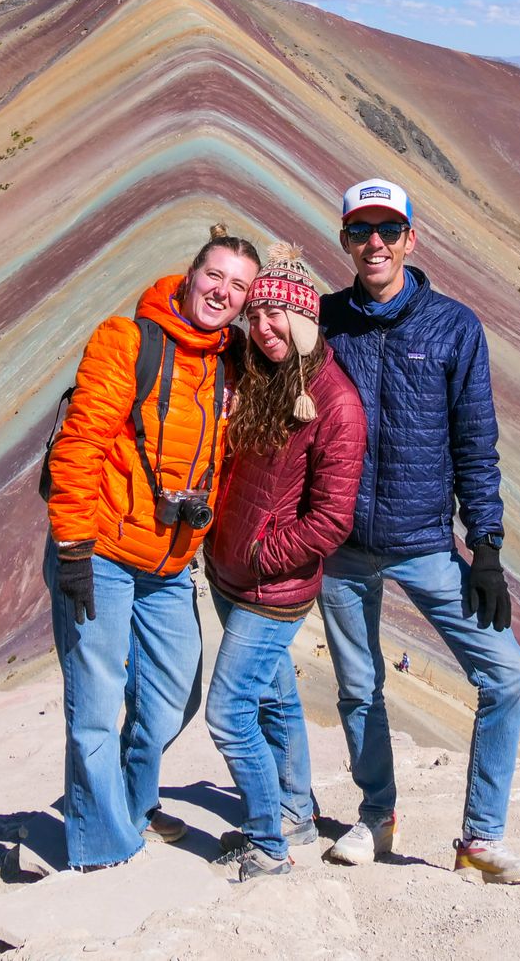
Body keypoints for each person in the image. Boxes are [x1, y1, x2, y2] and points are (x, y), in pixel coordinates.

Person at [317, 178, 520, 884]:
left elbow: (476, 444)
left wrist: (487, 548)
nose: (375, 243)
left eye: (389, 230)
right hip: (342, 549)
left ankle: (480, 840)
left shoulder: (454, 327)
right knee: (359, 687)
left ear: (412, 239)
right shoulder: (324, 322)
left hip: (425, 546)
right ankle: (377, 816)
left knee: (507, 675)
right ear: (346, 242)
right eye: (361, 231)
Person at [43, 226, 261, 871]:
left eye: (238, 286)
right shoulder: (127, 340)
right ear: (190, 275)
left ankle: (133, 806)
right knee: (96, 698)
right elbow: (79, 447)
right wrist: (74, 549)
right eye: (214, 276)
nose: (222, 292)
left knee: (171, 694)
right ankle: (105, 850)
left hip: (168, 565)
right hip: (103, 553)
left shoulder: (232, 361)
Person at [201, 244, 366, 882]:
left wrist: (262, 555)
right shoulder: (264, 377)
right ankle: (295, 809)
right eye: (258, 315)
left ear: (303, 321)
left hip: (272, 585)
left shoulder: (336, 404)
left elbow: (331, 519)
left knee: (228, 711)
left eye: (278, 317)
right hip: (230, 568)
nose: (264, 329)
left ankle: (268, 841)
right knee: (273, 697)